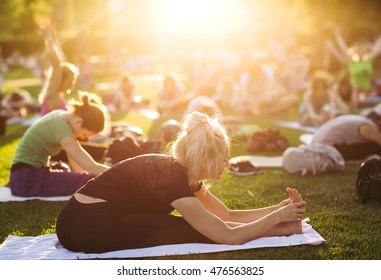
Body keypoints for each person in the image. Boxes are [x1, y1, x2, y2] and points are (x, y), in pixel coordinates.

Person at [56, 111, 307, 253]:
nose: (227, 165)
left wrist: (280, 209)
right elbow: (227, 235)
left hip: (74, 223)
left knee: (201, 225)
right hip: (90, 224)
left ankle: (286, 227)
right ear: (205, 157)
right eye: (223, 158)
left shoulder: (182, 173)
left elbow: (226, 214)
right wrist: (278, 220)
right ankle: (285, 230)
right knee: (193, 230)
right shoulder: (173, 177)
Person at [9, 92, 109, 197]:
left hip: (23, 176)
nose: (83, 138)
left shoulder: (62, 116)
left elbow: (75, 160)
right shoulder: (61, 127)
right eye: (85, 134)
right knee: (90, 182)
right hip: (27, 179)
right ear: (79, 121)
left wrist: (85, 176)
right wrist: (119, 174)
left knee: (82, 177)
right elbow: (91, 167)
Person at [38, 21, 79, 116]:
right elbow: (57, 63)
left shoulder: (57, 95)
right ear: (61, 79)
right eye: (71, 81)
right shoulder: (53, 93)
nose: (72, 86)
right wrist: (48, 38)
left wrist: (53, 37)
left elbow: (61, 61)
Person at [311, 113, 381, 161]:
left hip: (315, 148)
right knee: (374, 147)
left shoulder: (360, 120)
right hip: (326, 151)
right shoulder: (367, 126)